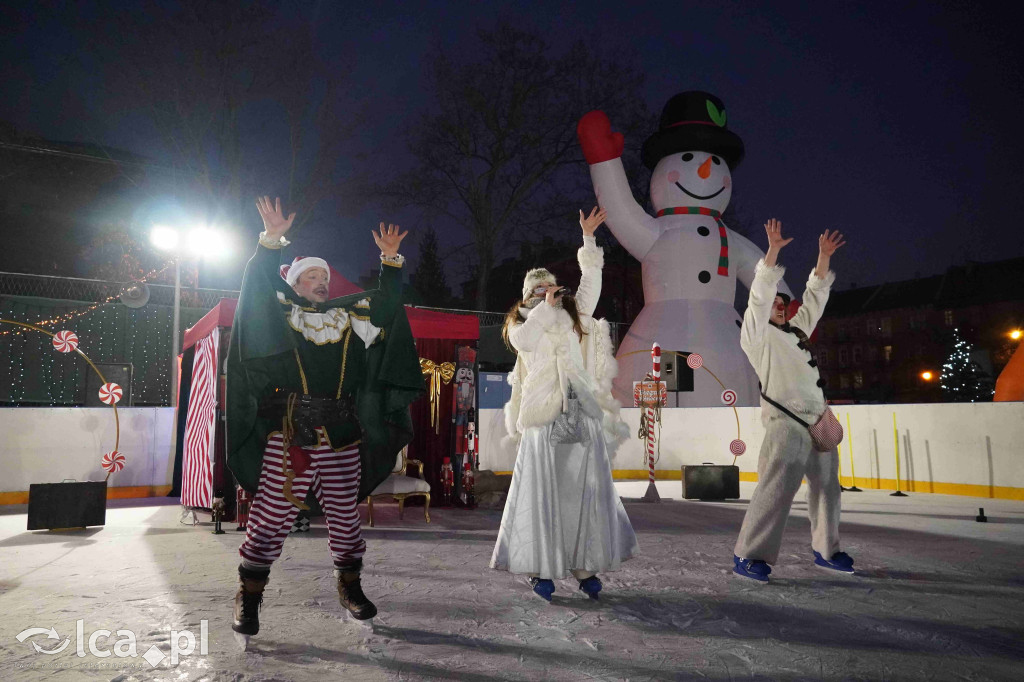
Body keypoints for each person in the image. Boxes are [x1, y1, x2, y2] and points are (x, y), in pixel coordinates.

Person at [226, 196, 423, 639]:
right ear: (295, 283)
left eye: (323, 276)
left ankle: (350, 587)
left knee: (345, 517)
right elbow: (256, 291)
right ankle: (249, 595)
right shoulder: (281, 317)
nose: (320, 281)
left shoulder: (348, 319)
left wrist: (390, 261)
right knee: (270, 516)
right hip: (289, 434)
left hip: (341, 433)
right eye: (310, 276)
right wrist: (271, 240)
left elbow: (389, 309)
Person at [490, 207, 637, 601]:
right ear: (528, 296)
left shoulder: (575, 317)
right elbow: (523, 345)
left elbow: (591, 283)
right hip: (542, 417)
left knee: (584, 492)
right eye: (538, 290)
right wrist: (543, 309)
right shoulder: (522, 322)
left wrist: (588, 240)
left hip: (581, 412)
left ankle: (583, 565)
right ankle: (541, 568)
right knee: (543, 495)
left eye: (550, 288)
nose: (546, 293)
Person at [732, 218, 850, 583]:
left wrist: (822, 257)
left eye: (785, 303)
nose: (780, 306)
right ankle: (748, 555)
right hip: (786, 424)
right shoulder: (757, 337)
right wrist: (773, 252)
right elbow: (758, 296)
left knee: (828, 491)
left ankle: (826, 550)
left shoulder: (796, 332)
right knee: (776, 490)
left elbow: (816, 297)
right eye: (776, 304)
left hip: (819, 420)